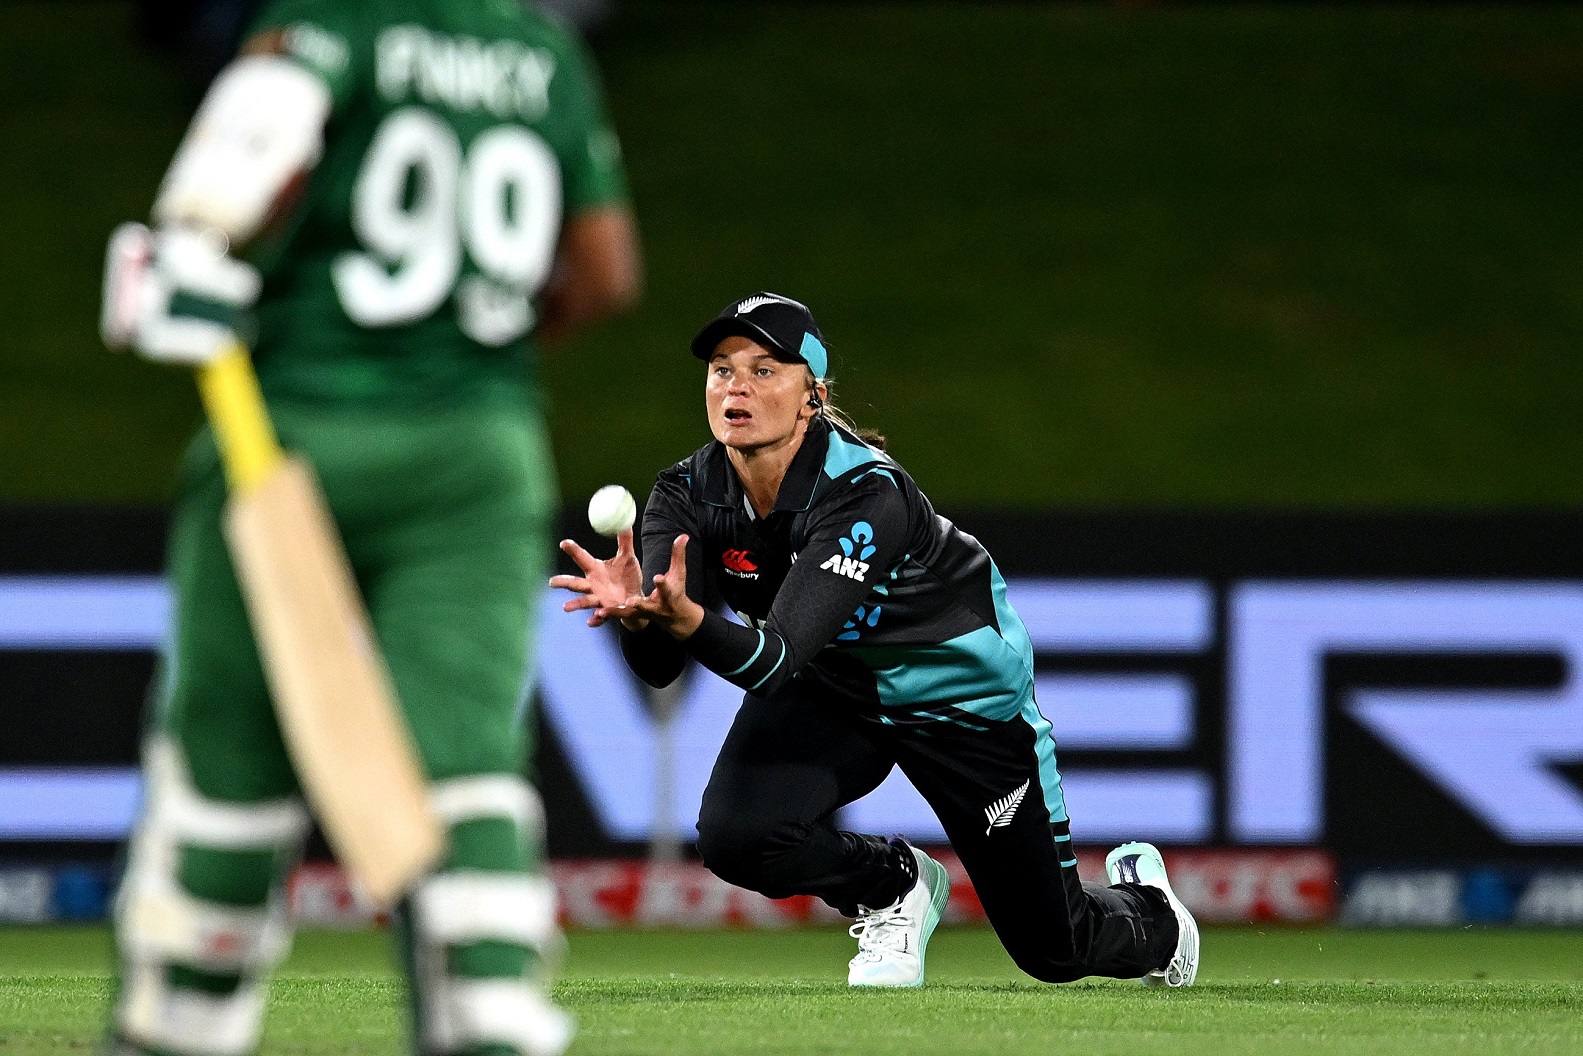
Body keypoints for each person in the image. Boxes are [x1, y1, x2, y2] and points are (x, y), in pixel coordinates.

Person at [99, 0, 640, 1052]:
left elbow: (246, 145)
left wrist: (184, 248)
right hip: (479, 452)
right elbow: (609, 273)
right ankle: (490, 1007)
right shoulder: (543, 55)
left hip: (293, 432)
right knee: (468, 761)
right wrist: (478, 349)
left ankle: (183, 1013)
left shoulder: (334, 21)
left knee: (232, 759)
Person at [552, 293, 1198, 988]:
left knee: (1055, 950)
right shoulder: (684, 491)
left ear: (811, 397)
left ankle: (1153, 916)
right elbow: (657, 670)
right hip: (834, 686)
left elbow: (771, 661)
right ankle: (891, 887)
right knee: (740, 839)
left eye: (765, 369)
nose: (735, 384)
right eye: (720, 368)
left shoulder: (865, 495)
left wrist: (685, 621)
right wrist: (642, 620)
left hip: (959, 699)